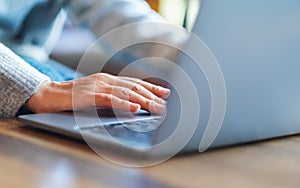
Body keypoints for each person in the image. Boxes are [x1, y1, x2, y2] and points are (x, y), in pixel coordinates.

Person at [0, 0, 186, 119]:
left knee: (119, 108)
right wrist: (35, 88)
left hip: (34, 66)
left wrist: (193, 58)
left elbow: (115, 12)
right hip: (20, 76)